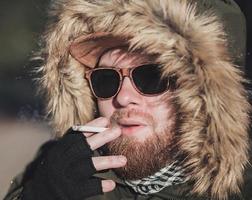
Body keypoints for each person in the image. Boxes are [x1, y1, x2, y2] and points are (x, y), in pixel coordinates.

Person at [4, 0, 252, 199]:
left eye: (151, 77)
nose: (122, 98)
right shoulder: (59, 168)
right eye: (105, 80)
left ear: (204, 96)